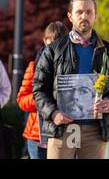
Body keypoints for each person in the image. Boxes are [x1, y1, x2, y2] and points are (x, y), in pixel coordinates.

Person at [33, 0, 109, 159]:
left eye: (89, 12)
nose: (85, 16)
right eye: (79, 12)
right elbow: (39, 89)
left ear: (95, 16)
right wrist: (53, 113)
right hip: (62, 128)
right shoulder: (52, 51)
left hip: (95, 130)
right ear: (70, 16)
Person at [17, 21, 68, 159]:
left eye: (59, 42)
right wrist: (41, 99)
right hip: (37, 136)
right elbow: (22, 100)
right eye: (51, 41)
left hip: (64, 132)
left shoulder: (72, 66)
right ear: (45, 41)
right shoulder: (34, 66)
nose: (54, 46)